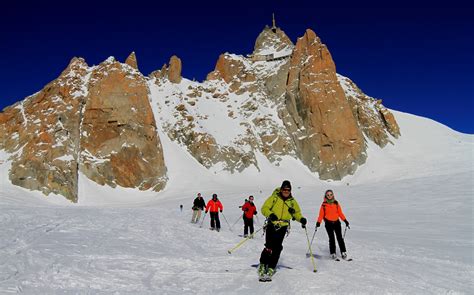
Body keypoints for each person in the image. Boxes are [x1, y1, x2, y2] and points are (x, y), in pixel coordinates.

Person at [258, 180, 307, 281]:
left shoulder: (292, 202)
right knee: (269, 246)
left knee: (277, 247)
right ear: (281, 189)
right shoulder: (274, 198)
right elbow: (264, 208)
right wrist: (270, 214)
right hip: (272, 224)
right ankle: (263, 264)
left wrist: (301, 219)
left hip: (283, 226)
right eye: (284, 189)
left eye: (288, 190)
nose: (286, 191)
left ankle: (271, 266)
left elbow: (296, 213)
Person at [316, 189, 350, 260]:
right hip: (328, 223)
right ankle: (333, 253)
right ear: (326, 196)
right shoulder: (324, 205)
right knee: (332, 239)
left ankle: (343, 252)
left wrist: (345, 220)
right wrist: (318, 222)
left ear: (333, 195)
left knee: (340, 238)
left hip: (337, 223)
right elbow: (321, 215)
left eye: (331, 194)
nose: (329, 196)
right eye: (328, 195)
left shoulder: (336, 203)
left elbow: (340, 213)